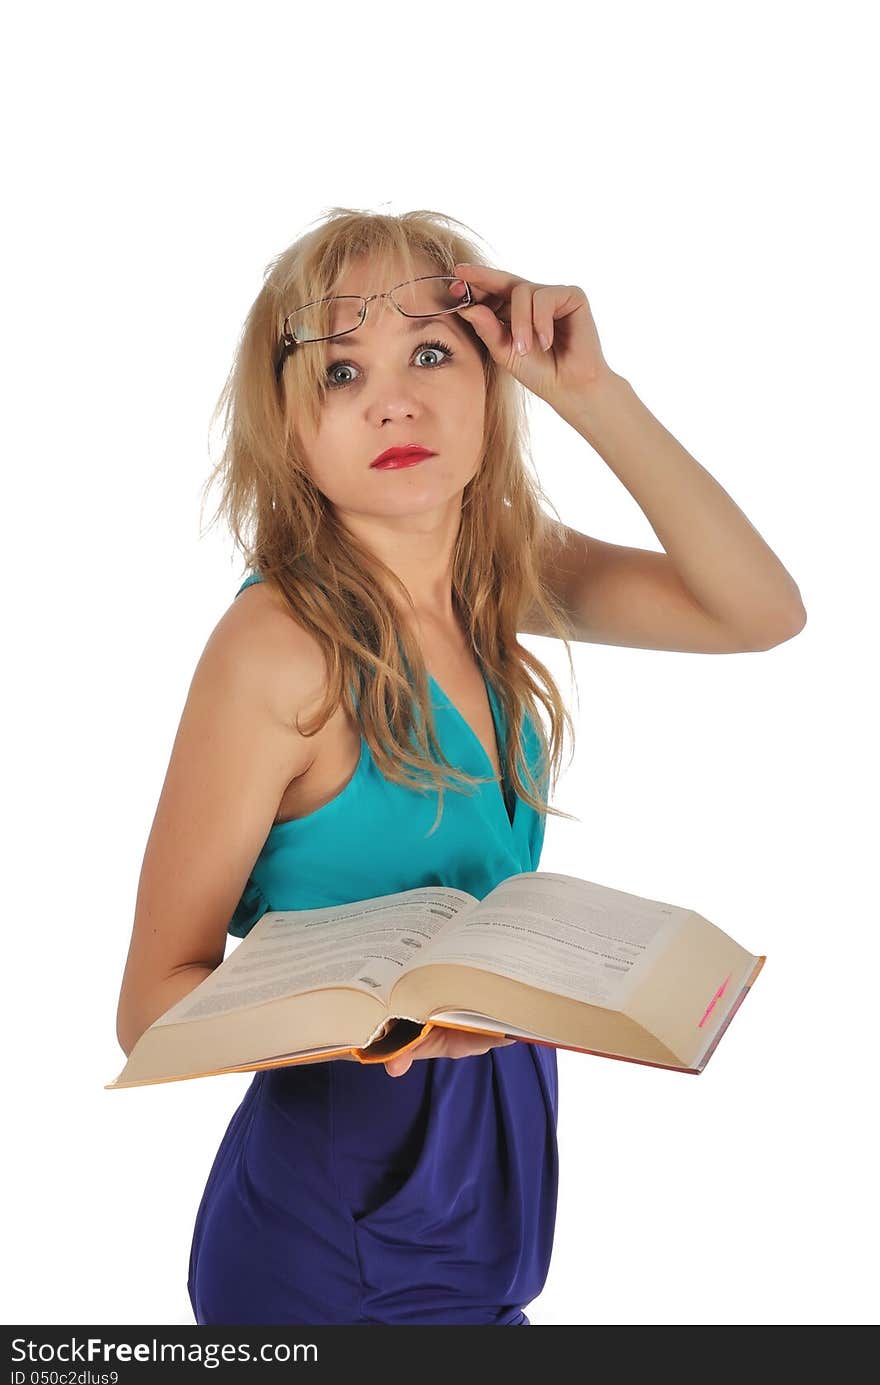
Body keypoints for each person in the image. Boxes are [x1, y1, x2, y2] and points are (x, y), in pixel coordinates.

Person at [115, 207, 806, 1326]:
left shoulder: (501, 578)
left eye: (431, 352)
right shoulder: (280, 649)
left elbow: (761, 613)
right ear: (291, 432)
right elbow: (153, 1004)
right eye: (340, 372)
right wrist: (390, 1029)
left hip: (492, 1183)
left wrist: (590, 392)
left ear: (492, 383)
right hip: (336, 1221)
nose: (395, 398)